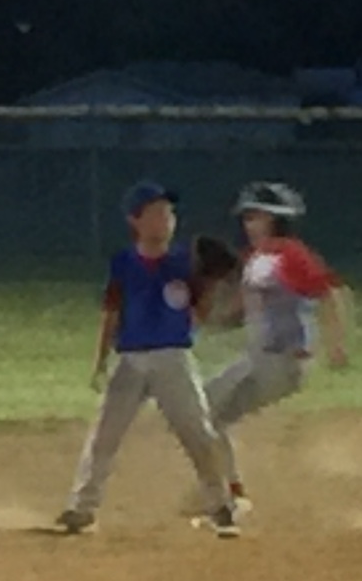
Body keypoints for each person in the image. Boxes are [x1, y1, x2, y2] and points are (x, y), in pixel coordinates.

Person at [56, 180, 237, 538]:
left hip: (174, 358)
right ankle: (81, 508)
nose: (165, 220)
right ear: (135, 220)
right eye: (155, 213)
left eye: (168, 213)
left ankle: (220, 505)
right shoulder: (123, 263)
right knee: (104, 436)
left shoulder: (186, 262)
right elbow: (112, 312)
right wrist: (100, 360)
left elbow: (200, 314)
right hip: (130, 360)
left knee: (198, 433)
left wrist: (212, 286)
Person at [200, 180, 349, 520]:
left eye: (256, 217)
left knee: (202, 410)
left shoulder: (290, 253)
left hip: (283, 360)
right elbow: (239, 311)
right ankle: (228, 492)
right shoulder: (257, 257)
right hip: (262, 359)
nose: (248, 224)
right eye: (247, 218)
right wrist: (201, 319)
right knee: (209, 417)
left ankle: (226, 494)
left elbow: (329, 294)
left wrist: (335, 344)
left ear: (277, 219)